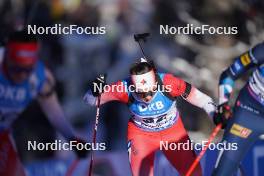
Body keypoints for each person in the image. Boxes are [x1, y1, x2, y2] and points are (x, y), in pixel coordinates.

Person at [84, 58, 216, 176]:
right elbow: (91, 100)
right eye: (141, 93)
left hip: (173, 133)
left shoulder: (169, 83)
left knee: (193, 173)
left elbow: (203, 100)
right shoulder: (124, 87)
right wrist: (94, 91)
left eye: (150, 92)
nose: (147, 97)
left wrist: (215, 115)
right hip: (141, 136)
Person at [0, 30, 87, 176]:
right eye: (16, 69)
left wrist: (72, 138)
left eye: (27, 70)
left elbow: (53, 112)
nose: (21, 76)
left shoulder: (40, 78)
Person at [212, 42, 264, 175]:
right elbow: (229, 75)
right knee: (223, 172)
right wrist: (223, 105)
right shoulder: (261, 52)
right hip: (249, 112)